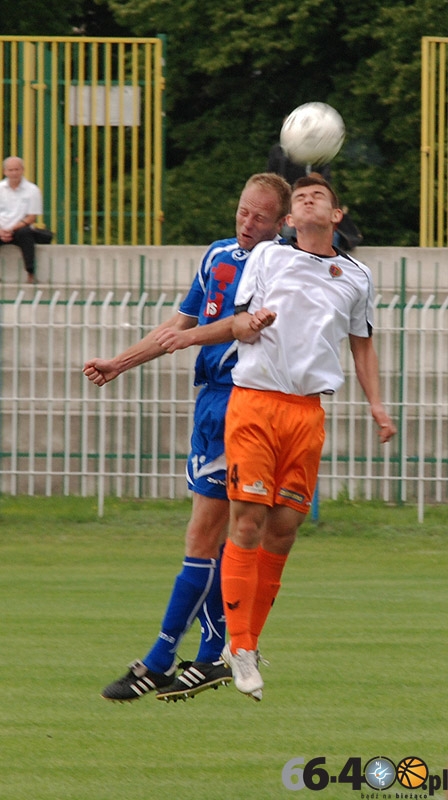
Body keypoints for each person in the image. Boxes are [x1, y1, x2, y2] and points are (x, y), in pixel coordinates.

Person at [83, 172, 292, 703]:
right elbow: (175, 327)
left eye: (260, 217)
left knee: (203, 535)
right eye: (243, 210)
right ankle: (212, 654)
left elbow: (235, 329)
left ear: (281, 223)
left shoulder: (285, 269)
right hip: (210, 406)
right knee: (217, 538)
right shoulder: (218, 256)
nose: (248, 223)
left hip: (244, 406)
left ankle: (159, 659)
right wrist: (120, 362)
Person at [219, 173, 396, 699]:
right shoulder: (268, 258)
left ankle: (246, 642)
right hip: (255, 402)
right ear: (290, 220)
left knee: (285, 529)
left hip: (307, 413)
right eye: (299, 198)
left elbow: (362, 344)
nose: (308, 199)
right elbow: (238, 318)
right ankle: (242, 645)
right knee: (247, 519)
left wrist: (377, 404)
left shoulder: (356, 276)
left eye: (319, 195)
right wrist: (249, 323)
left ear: (336, 216)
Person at [0, 156, 43, 283]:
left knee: (26, 235)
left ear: (22, 170)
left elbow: (31, 217)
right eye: (10, 170)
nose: (14, 173)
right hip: (1, 228)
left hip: (20, 228)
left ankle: (30, 273)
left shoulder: (32, 190)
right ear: (5, 172)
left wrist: (12, 229)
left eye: (17, 169)